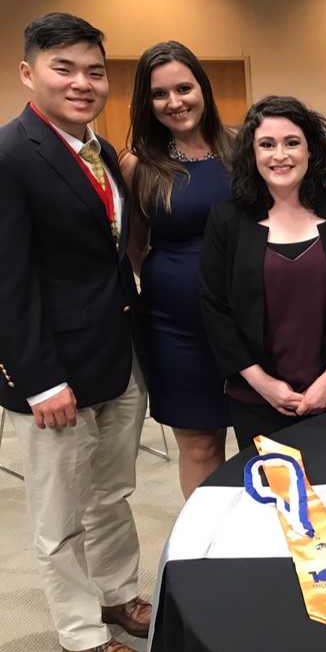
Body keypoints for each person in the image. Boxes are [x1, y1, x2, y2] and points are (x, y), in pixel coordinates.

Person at [0, 13, 150, 652]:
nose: (83, 82)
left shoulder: (97, 152)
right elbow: (8, 281)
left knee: (112, 494)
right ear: (29, 73)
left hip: (115, 356)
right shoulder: (10, 155)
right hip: (53, 372)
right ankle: (80, 632)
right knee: (59, 516)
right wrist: (37, 380)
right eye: (64, 68)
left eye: (94, 70)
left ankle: (117, 594)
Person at [200, 96, 326, 447]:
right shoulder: (226, 220)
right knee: (269, 496)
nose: (279, 155)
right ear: (252, 155)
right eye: (266, 144)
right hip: (257, 399)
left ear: (310, 149)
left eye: (292, 143)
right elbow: (216, 309)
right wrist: (263, 384)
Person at [121, 41, 233, 498]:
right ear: (146, 102)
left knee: (267, 442)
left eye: (183, 88)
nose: (175, 102)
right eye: (159, 94)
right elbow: (135, 245)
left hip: (250, 320)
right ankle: (208, 553)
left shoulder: (243, 146)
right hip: (176, 328)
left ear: (202, 88)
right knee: (201, 446)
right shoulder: (139, 164)